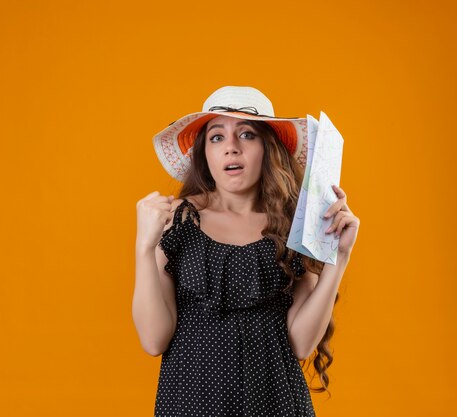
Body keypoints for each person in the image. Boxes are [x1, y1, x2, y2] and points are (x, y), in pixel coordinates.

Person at [133, 86, 360, 416]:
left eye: (247, 135)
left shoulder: (292, 226)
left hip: (276, 402)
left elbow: (301, 343)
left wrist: (338, 258)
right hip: (191, 402)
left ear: (267, 148)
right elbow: (153, 340)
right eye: (217, 137)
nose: (231, 148)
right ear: (204, 153)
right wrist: (144, 247)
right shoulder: (175, 220)